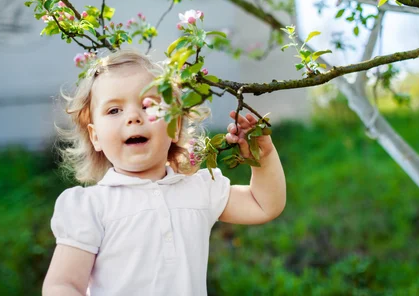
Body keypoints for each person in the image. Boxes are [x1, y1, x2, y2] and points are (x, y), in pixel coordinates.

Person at [42, 49, 286, 296]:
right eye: (114, 110)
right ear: (95, 136)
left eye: (149, 105)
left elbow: (263, 204)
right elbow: (63, 285)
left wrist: (263, 156)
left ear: (175, 125)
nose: (133, 117)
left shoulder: (197, 190)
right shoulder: (92, 207)